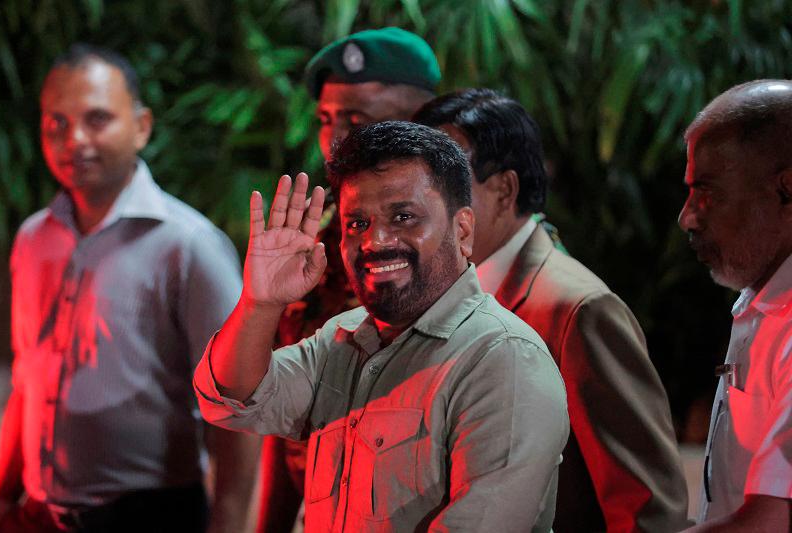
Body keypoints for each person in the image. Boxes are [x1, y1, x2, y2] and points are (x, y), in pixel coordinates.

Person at [194, 121, 570, 532]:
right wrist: (260, 303)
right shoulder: (344, 337)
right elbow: (232, 399)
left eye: (403, 216)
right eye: (357, 224)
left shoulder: (505, 359)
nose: (375, 241)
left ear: (462, 230)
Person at [0, 44, 259, 533]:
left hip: (149, 516)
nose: (74, 140)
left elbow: (236, 413)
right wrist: (2, 500)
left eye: (97, 120)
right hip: (38, 515)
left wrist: (229, 524)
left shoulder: (189, 245)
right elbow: (27, 379)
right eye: (57, 123)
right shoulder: (34, 239)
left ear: (142, 126)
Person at [415, 89, 689, 532]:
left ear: (504, 189)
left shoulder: (577, 311)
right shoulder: (441, 291)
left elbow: (645, 507)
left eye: (446, 183)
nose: (421, 206)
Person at [256, 27, 440, 532]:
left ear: (418, 123)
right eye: (326, 120)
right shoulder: (316, 238)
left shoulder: (447, 247)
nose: (335, 141)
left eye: (357, 120)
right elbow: (284, 402)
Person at [678, 79, 792, 532]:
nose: (686, 216)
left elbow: (769, 523)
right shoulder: (762, 298)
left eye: (705, 191)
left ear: (786, 189)